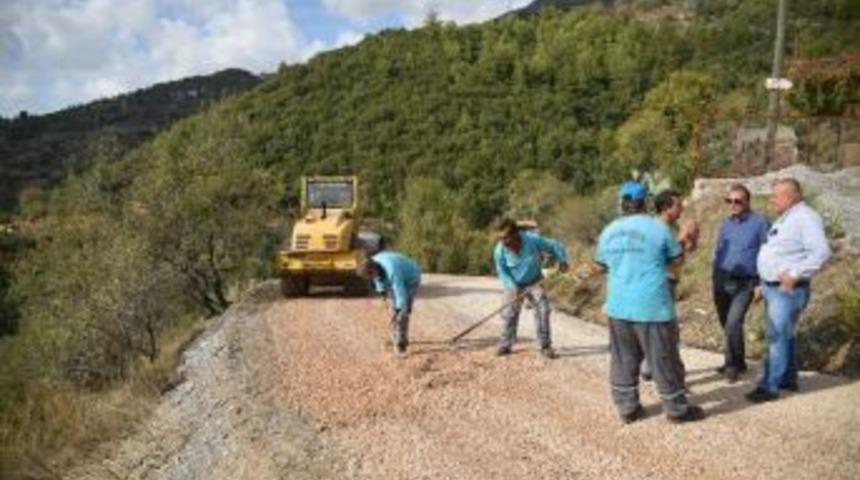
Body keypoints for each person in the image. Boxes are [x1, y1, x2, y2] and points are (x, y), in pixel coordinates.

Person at [593, 181, 705, 424]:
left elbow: (601, 266)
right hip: (651, 305)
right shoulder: (658, 229)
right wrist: (686, 241)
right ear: (645, 202)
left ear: (622, 202)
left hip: (618, 305)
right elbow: (675, 262)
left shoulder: (609, 230)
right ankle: (676, 410)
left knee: (623, 358)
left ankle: (627, 409)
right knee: (662, 357)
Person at [746, 178, 831, 403]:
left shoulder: (806, 218)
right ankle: (787, 378)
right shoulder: (787, 218)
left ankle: (769, 386)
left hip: (787, 290)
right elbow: (779, 252)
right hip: (773, 288)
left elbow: (821, 252)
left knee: (776, 336)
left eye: (776, 195)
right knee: (786, 335)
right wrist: (763, 284)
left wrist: (795, 274)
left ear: (791, 196)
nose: (772, 200)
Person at [712, 183, 770, 383]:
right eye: (729, 200)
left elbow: (768, 254)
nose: (733, 204)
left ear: (747, 202)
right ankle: (740, 361)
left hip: (745, 283)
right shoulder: (725, 223)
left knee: (733, 323)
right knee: (726, 324)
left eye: (738, 201)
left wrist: (762, 284)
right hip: (721, 279)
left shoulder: (761, 223)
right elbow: (719, 250)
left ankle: (732, 365)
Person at [493, 218, 570, 359]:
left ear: (516, 234)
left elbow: (555, 245)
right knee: (509, 312)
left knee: (543, 309)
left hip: (534, 281)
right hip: (513, 283)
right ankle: (505, 344)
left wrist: (563, 260)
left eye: (505, 238)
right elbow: (502, 272)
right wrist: (513, 287)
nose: (503, 242)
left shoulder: (532, 240)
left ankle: (545, 346)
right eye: (500, 238)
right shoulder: (499, 250)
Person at [640, 189, 695, 382]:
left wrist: (691, 241)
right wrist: (681, 236)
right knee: (667, 329)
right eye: (678, 205)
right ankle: (671, 374)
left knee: (661, 326)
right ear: (666, 208)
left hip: (670, 281)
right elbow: (655, 256)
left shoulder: (672, 226)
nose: (682, 209)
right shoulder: (654, 228)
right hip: (658, 283)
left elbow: (678, 254)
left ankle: (650, 366)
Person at [357, 251, 422, 356]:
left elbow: (400, 292)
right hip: (397, 275)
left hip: (411, 278)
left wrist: (398, 309)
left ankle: (401, 343)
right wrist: (383, 294)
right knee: (393, 309)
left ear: (373, 269)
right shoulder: (373, 264)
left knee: (403, 311)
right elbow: (378, 278)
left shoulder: (392, 270)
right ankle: (396, 335)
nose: (370, 279)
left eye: (370, 276)